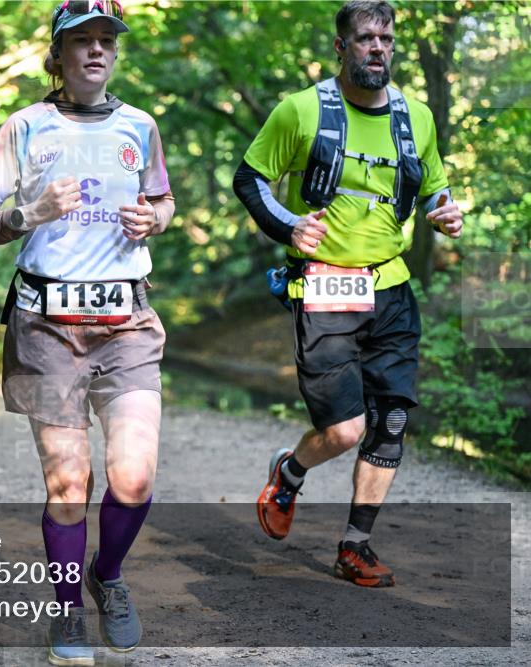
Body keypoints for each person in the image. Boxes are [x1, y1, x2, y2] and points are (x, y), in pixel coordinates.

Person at [0, 2, 174, 663]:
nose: (97, 50)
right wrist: (27, 212)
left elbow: (163, 199)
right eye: (82, 40)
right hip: (46, 329)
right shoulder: (25, 127)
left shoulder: (141, 126)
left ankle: (106, 575)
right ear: (58, 55)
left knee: (133, 478)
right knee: (69, 486)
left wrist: (156, 219)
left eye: (107, 39)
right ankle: (67, 610)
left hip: (126, 324)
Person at [232, 0, 464, 587]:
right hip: (325, 286)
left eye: (386, 39)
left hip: (391, 286)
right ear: (342, 47)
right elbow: (250, 178)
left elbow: (433, 187)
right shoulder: (301, 111)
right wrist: (288, 226)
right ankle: (290, 472)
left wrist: (445, 212)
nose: (377, 48)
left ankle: (355, 545)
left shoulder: (417, 117)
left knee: (391, 421)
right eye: (365, 38)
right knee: (345, 430)